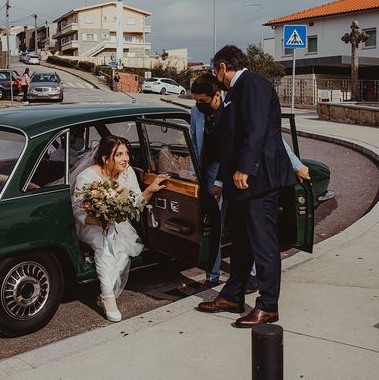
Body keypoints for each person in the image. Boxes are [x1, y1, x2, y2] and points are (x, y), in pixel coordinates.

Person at [197, 45, 297, 328]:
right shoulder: (234, 92)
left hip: (257, 179)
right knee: (241, 243)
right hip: (239, 184)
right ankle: (232, 295)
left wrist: (245, 168)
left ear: (223, 66)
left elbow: (256, 128)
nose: (214, 73)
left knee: (263, 243)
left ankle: (268, 305)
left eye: (215, 67)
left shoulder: (252, 83)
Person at [190, 74, 310, 290]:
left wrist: (296, 164)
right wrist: (196, 173)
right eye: (196, 101)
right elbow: (195, 144)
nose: (199, 106)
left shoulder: (232, 108)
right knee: (214, 224)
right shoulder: (196, 113)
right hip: (211, 172)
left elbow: (268, 137)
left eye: (203, 101)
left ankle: (252, 275)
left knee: (246, 225)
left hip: (235, 171)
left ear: (216, 95)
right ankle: (213, 273)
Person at [71, 135, 169, 322]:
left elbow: (134, 204)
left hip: (118, 223)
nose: (126, 159)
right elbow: (79, 213)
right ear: (106, 158)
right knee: (104, 247)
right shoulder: (87, 177)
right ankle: (108, 299)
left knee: (124, 251)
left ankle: (105, 292)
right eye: (119, 155)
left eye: (126, 153)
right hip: (90, 223)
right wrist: (100, 221)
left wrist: (150, 190)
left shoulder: (127, 172)